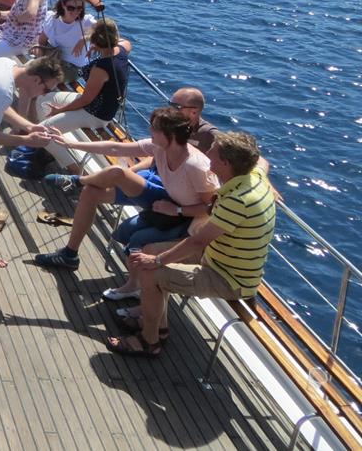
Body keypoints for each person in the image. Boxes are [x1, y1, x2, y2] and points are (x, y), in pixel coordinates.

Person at [109, 131, 276, 358]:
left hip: (227, 277)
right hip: (218, 257)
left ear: (226, 163)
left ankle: (149, 342)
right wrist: (154, 256)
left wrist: (157, 261)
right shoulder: (254, 176)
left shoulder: (238, 201)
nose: (207, 155)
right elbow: (262, 161)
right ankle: (159, 326)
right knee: (149, 249)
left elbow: (197, 242)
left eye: (212, 154)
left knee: (152, 272)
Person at [33, 107, 219, 280]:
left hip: (181, 215)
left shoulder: (195, 166)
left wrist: (176, 210)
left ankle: (76, 181)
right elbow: (114, 148)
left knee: (118, 173)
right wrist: (70, 144)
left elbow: (209, 208)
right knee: (91, 192)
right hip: (163, 198)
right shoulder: (159, 147)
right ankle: (69, 255)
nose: (150, 131)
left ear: (169, 135)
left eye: (154, 128)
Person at [0, 55, 65, 267]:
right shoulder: (2, 91)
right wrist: (27, 140)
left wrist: (29, 126)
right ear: (36, 81)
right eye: (46, 89)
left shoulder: (5, 64)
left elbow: (0, 107)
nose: (44, 94)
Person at [36, 18, 132, 176]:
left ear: (96, 40)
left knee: (44, 131)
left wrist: (59, 111)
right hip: (95, 104)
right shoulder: (122, 50)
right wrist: (88, 40)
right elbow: (125, 41)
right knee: (43, 99)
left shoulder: (101, 68)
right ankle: (52, 148)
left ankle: (77, 172)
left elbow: (86, 100)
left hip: (95, 114)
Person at [36, 0, 96, 83]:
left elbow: (107, 32)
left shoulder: (86, 22)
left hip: (73, 67)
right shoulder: (52, 19)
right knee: (34, 72)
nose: (76, 12)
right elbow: (41, 41)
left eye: (79, 8)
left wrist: (85, 38)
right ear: (63, 5)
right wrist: (39, 62)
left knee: (46, 78)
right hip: (54, 58)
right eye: (71, 8)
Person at [170, 86, 219, 154]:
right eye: (170, 105)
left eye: (177, 107)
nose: (170, 110)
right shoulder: (170, 126)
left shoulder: (209, 134)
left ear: (194, 112)